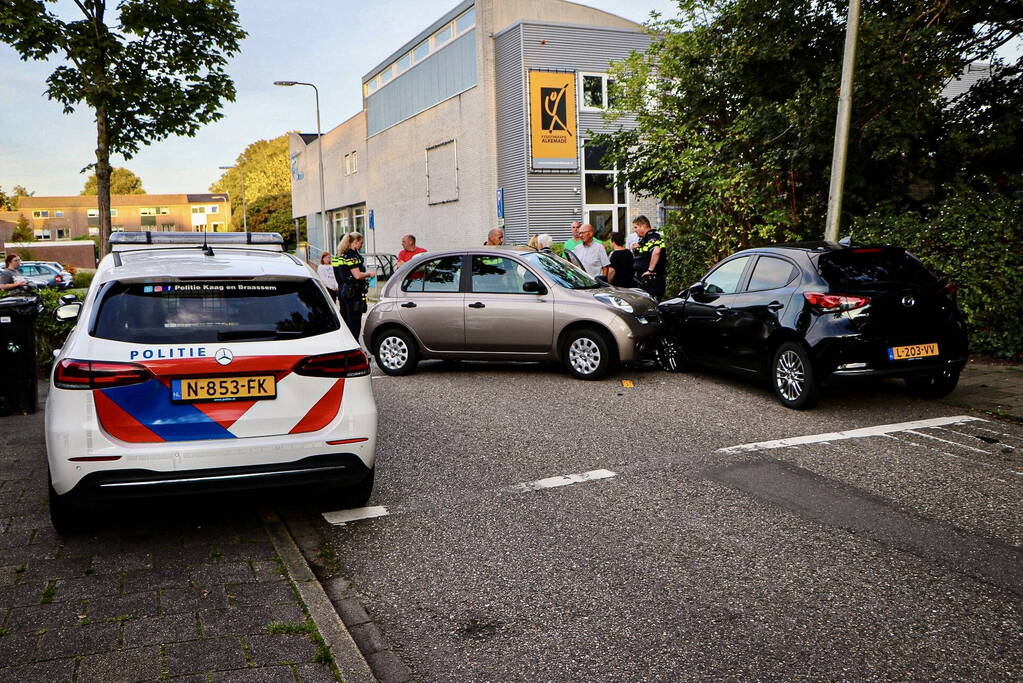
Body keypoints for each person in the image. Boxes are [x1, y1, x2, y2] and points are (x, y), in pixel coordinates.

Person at [332, 232, 376, 343]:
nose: (361, 245)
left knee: (346, 320)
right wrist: (369, 274)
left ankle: (346, 346)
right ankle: (354, 346)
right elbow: (357, 275)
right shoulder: (351, 256)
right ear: (355, 242)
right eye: (360, 243)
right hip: (353, 292)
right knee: (354, 322)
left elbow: (338, 275)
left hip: (344, 290)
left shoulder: (341, 255)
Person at [632, 215, 666, 300]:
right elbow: (641, 258)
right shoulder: (644, 239)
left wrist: (650, 271)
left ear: (643, 226)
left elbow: (656, 251)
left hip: (652, 282)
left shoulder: (652, 237)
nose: (634, 230)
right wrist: (635, 250)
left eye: (636, 227)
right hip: (645, 281)